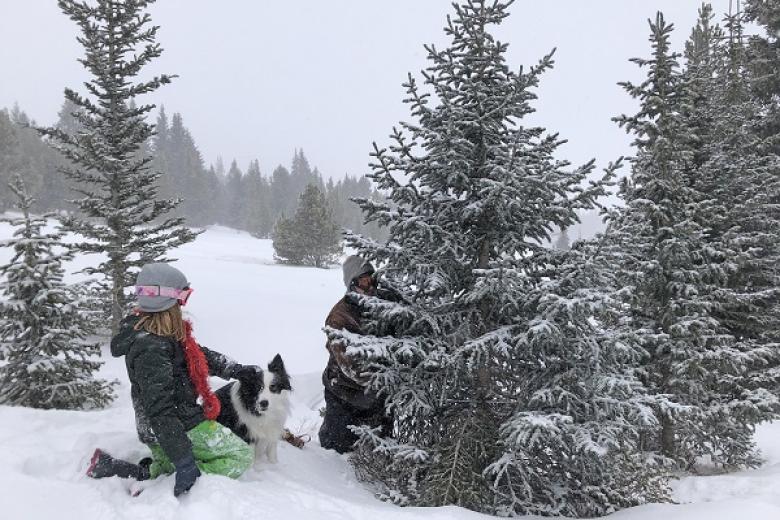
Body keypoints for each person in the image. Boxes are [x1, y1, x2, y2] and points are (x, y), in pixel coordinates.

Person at [86, 263, 254, 497]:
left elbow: (196, 354)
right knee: (240, 455)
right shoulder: (151, 348)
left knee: (171, 462)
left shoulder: (159, 334)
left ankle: (117, 468)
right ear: (166, 300)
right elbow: (161, 409)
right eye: (183, 296)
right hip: (177, 423)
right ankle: (167, 482)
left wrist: (234, 369)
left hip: (162, 427)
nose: (184, 304)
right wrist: (185, 461)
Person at [318, 255, 393, 453]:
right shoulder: (339, 317)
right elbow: (352, 367)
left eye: (371, 279)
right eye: (363, 280)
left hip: (375, 396)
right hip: (343, 392)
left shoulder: (382, 305)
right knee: (335, 450)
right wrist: (388, 380)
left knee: (378, 448)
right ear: (352, 283)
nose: (369, 286)